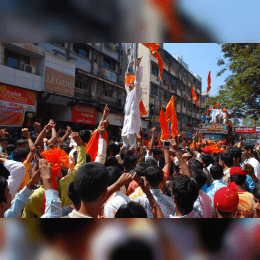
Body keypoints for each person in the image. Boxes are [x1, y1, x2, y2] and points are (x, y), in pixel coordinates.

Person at [121, 57, 143, 150]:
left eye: (131, 83)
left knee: (131, 134)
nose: (129, 85)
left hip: (133, 117)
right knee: (124, 135)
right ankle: (126, 151)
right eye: (129, 83)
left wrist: (137, 66)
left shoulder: (136, 91)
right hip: (127, 117)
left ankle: (134, 150)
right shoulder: (129, 93)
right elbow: (126, 86)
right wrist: (126, 76)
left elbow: (138, 81)